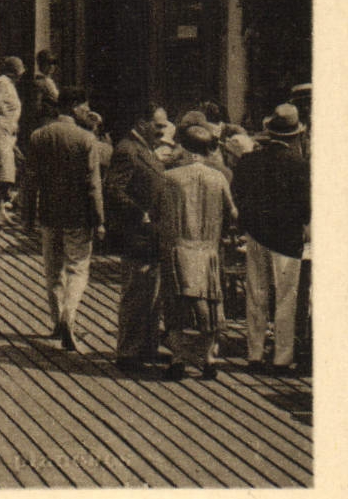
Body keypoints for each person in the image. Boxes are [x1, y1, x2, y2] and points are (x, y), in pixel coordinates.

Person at [22, 87, 106, 354]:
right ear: (74, 108)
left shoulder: (39, 135)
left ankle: (57, 321)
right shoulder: (85, 139)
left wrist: (27, 216)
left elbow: (30, 180)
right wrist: (99, 218)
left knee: (52, 269)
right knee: (77, 267)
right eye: (84, 107)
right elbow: (93, 182)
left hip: (49, 212)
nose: (86, 111)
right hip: (78, 214)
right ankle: (70, 314)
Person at [232, 104, 310, 374]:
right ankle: (281, 358)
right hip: (286, 240)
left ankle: (254, 353)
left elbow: (238, 194)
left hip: (256, 235)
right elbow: (306, 206)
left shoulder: (250, 161)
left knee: (256, 294)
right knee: (286, 298)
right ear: (295, 135)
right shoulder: (299, 165)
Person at [160, 124, 237, 380]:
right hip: (208, 250)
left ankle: (178, 358)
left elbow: (158, 211)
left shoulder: (171, 177)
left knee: (176, 306)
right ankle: (208, 358)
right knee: (212, 305)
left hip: (179, 248)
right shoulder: (218, 178)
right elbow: (232, 213)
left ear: (183, 146)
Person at [105, 103, 176, 372]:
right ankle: (128, 352)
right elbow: (114, 189)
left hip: (151, 233)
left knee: (152, 293)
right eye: (158, 125)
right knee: (136, 293)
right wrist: (140, 212)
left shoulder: (145, 149)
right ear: (142, 122)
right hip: (137, 233)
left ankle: (148, 346)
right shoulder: (127, 150)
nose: (162, 131)